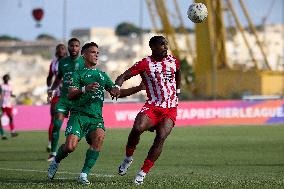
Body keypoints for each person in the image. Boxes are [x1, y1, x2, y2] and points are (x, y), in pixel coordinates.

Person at [47, 42, 120, 184]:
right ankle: (55, 161)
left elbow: (116, 91)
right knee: (70, 147)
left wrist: (135, 87)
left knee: (99, 138)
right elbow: (71, 94)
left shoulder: (102, 75)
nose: (96, 55)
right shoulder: (76, 74)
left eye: (97, 52)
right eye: (93, 52)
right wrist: (85, 89)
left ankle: (83, 175)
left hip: (95, 118)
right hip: (78, 115)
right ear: (84, 55)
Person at [115, 35, 181, 185]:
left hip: (170, 108)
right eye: (162, 45)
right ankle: (128, 158)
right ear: (153, 47)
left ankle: (142, 172)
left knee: (161, 136)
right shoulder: (145, 63)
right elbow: (123, 75)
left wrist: (178, 92)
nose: (165, 47)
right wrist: (117, 86)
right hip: (152, 105)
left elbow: (178, 73)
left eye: (166, 44)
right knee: (137, 128)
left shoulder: (173, 61)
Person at [47, 38, 85, 161]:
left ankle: (70, 147)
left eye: (76, 46)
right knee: (57, 124)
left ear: (79, 48)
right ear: (68, 47)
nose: (74, 48)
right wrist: (52, 90)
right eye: (71, 46)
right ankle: (53, 153)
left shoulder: (84, 62)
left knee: (82, 129)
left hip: (78, 99)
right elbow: (58, 78)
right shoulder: (63, 62)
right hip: (64, 98)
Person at [46, 44, 67, 152]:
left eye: (62, 48)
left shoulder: (71, 62)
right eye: (58, 49)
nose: (60, 50)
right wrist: (49, 89)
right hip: (57, 94)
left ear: (65, 51)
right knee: (54, 119)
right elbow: (49, 77)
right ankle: (51, 143)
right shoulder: (53, 63)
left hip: (71, 94)